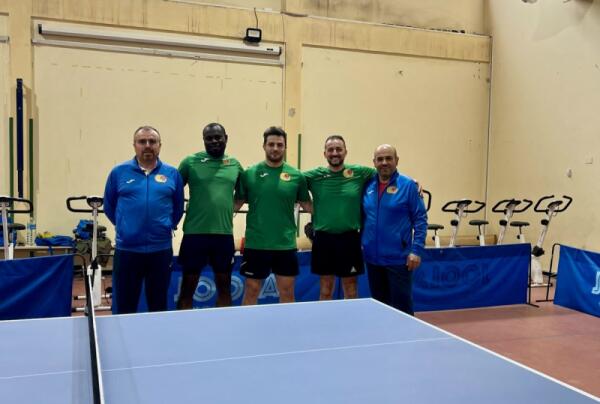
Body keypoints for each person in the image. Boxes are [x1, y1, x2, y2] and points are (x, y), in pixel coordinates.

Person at [104, 126, 184, 314]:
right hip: (127, 251)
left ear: (159, 145)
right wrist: (126, 227)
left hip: (160, 250)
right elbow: (109, 206)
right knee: (126, 305)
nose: (147, 145)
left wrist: (165, 226)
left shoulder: (172, 174)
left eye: (152, 141)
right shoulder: (118, 172)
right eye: (142, 141)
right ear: (134, 145)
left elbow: (178, 208)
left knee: (158, 305)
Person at [236, 126, 312, 305]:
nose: (275, 148)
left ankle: (287, 324)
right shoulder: (249, 174)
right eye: (271, 144)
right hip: (256, 243)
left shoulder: (297, 176)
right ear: (264, 146)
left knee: (287, 292)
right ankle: (248, 324)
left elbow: (308, 206)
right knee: (251, 291)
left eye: (279, 145)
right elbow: (235, 204)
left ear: (285, 147)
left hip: (285, 245)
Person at [177, 123, 243, 308]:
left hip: (223, 235)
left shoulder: (235, 164)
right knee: (187, 288)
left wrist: (228, 209)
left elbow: (242, 194)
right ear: (203, 140)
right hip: (194, 234)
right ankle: (183, 323)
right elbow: (173, 190)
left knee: (225, 288)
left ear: (226, 138)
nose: (214, 141)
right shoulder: (190, 162)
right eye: (209, 138)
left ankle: (223, 324)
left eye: (218, 137)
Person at [304, 135, 375, 300]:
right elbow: (290, 179)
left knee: (351, 290)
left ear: (345, 152)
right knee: (325, 289)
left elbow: (387, 173)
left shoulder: (359, 172)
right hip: (323, 239)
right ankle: (326, 317)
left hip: (350, 239)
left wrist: (412, 181)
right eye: (330, 150)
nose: (335, 153)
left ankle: (349, 317)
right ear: (324, 153)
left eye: (338, 149)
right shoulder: (314, 175)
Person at [361, 144, 427, 315]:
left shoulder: (408, 186)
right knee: (379, 310)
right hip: (373, 260)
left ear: (396, 160)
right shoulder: (367, 185)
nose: (384, 162)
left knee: (402, 312)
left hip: (398, 261)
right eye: (380, 159)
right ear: (374, 162)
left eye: (388, 158)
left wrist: (416, 251)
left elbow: (420, 219)